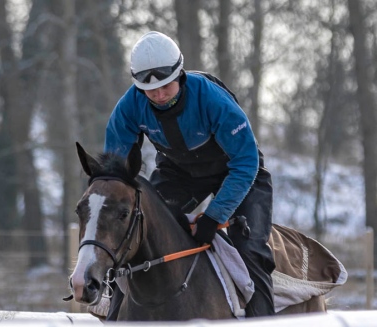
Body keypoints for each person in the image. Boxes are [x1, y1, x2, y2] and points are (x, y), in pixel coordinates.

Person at [103, 31, 275, 319]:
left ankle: (263, 321)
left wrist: (215, 216)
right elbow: (114, 174)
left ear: (179, 75)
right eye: (149, 90)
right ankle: (116, 313)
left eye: (165, 87)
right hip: (179, 173)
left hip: (240, 172)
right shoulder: (129, 106)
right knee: (135, 230)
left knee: (250, 247)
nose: (158, 95)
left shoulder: (212, 99)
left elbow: (245, 162)